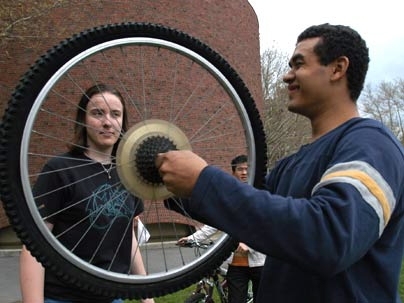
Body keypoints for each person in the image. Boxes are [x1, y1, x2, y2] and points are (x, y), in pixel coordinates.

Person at [156, 23, 404, 303]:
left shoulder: (372, 144)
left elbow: (331, 237)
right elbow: (252, 213)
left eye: (298, 64)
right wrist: (167, 183)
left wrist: (203, 180)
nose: (287, 76)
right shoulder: (291, 164)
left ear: (337, 68)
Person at [20, 84, 154, 303]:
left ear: (122, 122)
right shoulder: (59, 169)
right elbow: (33, 244)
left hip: (111, 297)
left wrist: (146, 297)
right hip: (63, 297)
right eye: (97, 113)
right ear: (83, 119)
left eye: (115, 114)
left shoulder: (128, 173)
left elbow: (127, 236)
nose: (107, 122)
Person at [177, 155, 265, 303]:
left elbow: (264, 224)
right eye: (240, 169)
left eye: (247, 169)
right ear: (233, 172)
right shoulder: (230, 198)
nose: (244, 172)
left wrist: (248, 244)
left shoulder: (259, 195)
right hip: (236, 264)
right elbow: (215, 223)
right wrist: (192, 238)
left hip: (259, 262)